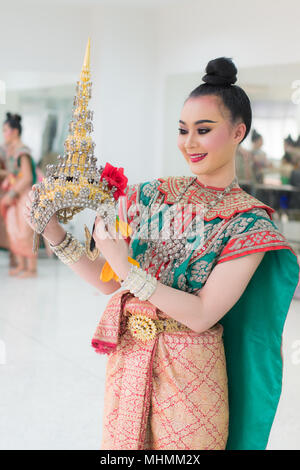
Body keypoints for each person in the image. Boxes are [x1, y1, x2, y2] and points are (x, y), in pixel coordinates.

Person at [24, 57, 299, 450]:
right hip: (130, 361)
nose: (189, 142)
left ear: (238, 132)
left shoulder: (248, 224)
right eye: (183, 130)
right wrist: (52, 232)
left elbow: (203, 314)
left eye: (204, 130)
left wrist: (124, 265)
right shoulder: (154, 196)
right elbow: (107, 281)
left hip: (192, 375)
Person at [0, 112, 38, 277]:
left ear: (15, 131)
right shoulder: (10, 151)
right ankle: (22, 265)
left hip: (24, 195)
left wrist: (13, 192)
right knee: (14, 229)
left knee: (25, 230)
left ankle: (31, 268)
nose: (4, 134)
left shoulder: (22, 151)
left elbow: (27, 176)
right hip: (15, 195)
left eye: (5, 130)